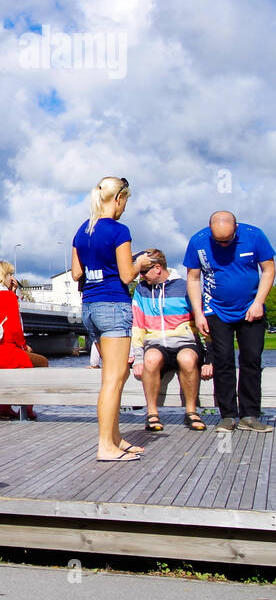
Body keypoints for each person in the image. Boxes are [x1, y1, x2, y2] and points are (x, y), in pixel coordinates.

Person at [72, 176, 153, 462]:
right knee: (113, 380)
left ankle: (115, 438)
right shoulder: (119, 231)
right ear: (118, 199)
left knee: (115, 375)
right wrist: (140, 262)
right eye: (126, 202)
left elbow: (76, 273)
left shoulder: (83, 230)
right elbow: (127, 275)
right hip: (113, 304)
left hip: (90, 307)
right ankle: (106, 445)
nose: (125, 208)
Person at [184, 211, 275, 433]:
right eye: (218, 241)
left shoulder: (255, 236)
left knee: (251, 359)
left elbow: (269, 269)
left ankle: (250, 414)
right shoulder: (198, 241)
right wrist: (199, 313)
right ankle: (228, 415)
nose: (223, 245)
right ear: (209, 230)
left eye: (227, 240)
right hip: (215, 309)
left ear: (236, 228)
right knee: (223, 361)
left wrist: (258, 302)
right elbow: (194, 278)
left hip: (250, 308)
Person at [132, 249, 211, 433]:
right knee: (150, 359)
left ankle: (191, 411)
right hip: (156, 342)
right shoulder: (141, 290)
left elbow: (203, 321)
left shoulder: (185, 287)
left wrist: (210, 359)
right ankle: (152, 412)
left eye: (143, 272)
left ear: (157, 268)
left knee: (187, 359)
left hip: (185, 341)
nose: (140, 277)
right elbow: (138, 324)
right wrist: (138, 358)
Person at [0, 260, 49, 421]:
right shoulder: (7, 296)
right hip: (2, 354)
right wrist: (24, 346)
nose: (12, 278)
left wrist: (13, 292)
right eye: (10, 274)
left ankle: (5, 408)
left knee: (19, 359)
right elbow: (15, 330)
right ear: (4, 276)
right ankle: (28, 408)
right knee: (41, 362)